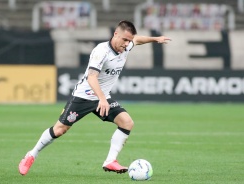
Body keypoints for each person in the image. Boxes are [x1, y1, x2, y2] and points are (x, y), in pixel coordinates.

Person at [18, 20, 171, 175]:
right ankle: (31, 155)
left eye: (128, 41)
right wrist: (102, 99)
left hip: (103, 97)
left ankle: (110, 161)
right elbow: (92, 77)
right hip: (83, 96)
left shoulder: (127, 46)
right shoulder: (101, 51)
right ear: (115, 34)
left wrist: (155, 39)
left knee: (127, 122)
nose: (127, 44)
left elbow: (137, 40)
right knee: (59, 130)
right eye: (124, 40)